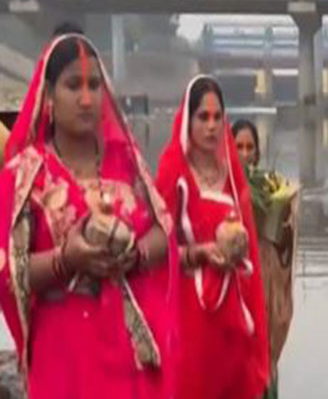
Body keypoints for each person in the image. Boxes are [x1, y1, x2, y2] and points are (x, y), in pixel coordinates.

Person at [0, 32, 178, 399]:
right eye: (72, 85)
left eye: (94, 85)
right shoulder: (25, 176)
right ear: (49, 95)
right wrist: (67, 260)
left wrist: (137, 255)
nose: (86, 99)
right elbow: (9, 273)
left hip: (131, 352)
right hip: (64, 357)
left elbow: (165, 231)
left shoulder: (127, 163)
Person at [155, 75, 269, 399]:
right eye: (202, 117)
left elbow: (252, 264)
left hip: (231, 321)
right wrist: (199, 254)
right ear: (187, 121)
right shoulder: (173, 174)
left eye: (218, 117)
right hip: (189, 321)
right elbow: (154, 251)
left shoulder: (233, 179)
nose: (211, 126)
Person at [233, 118, 298, 399]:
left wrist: (285, 223)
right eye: (239, 147)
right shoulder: (220, 191)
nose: (245, 154)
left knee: (264, 365)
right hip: (235, 294)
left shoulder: (270, 188)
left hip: (265, 294)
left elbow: (283, 249)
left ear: (258, 153)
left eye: (250, 148)